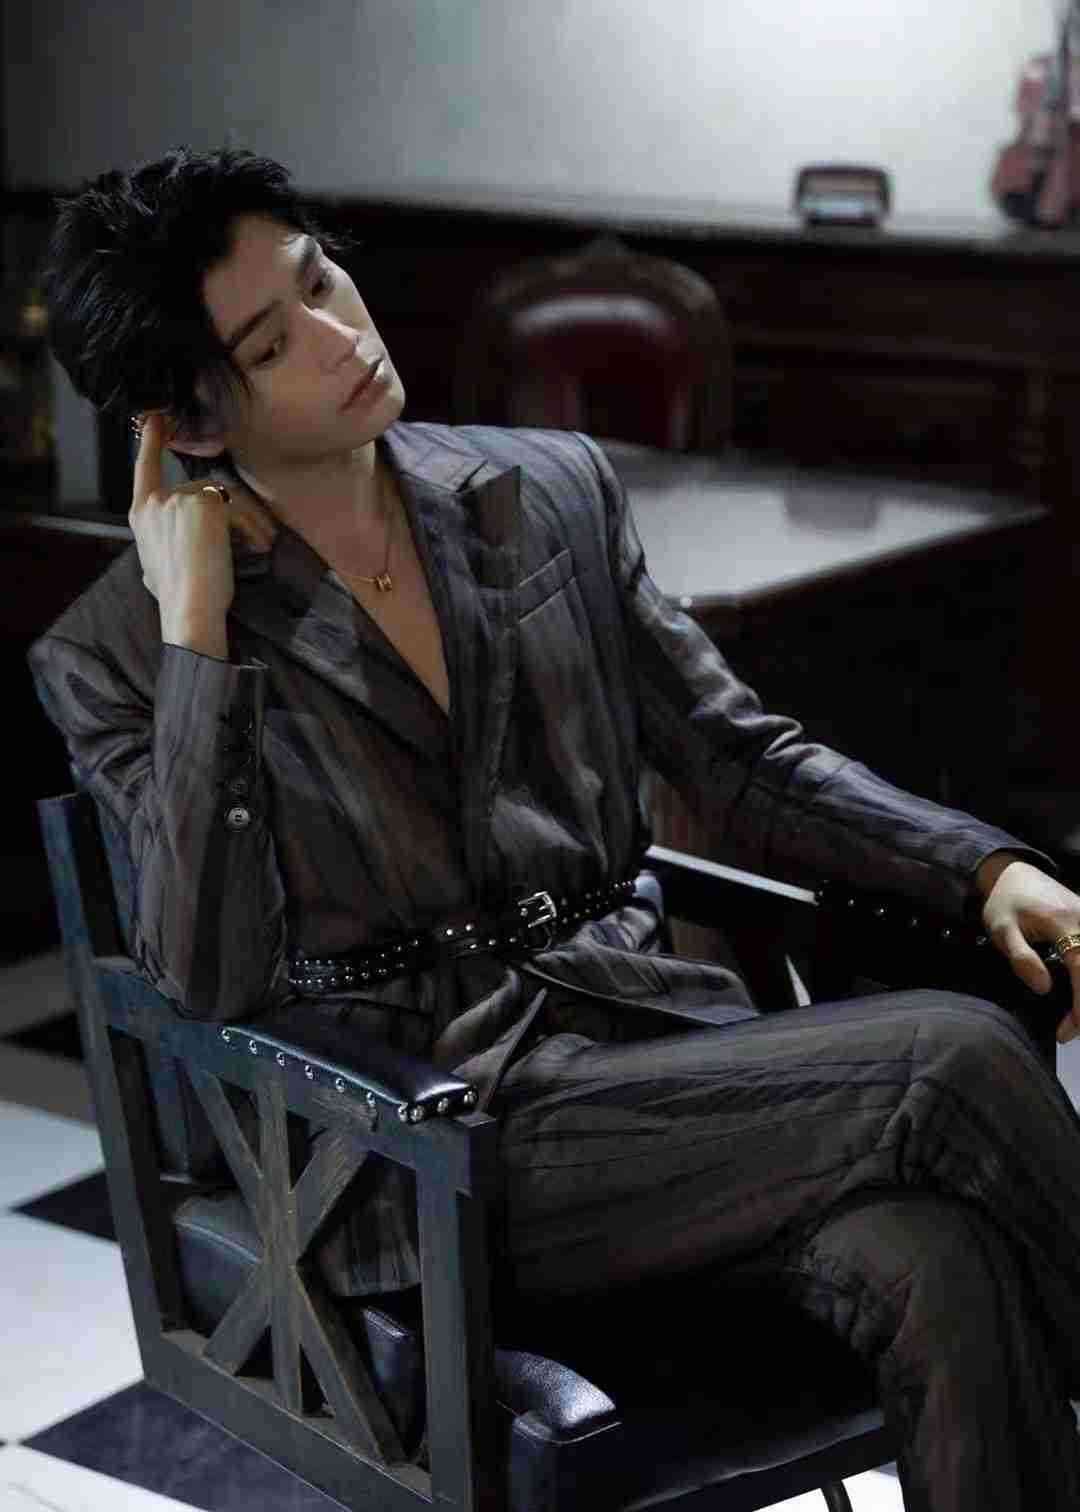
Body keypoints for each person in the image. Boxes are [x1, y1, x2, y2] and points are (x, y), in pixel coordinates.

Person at [27, 144, 1080, 1507]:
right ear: (191, 423)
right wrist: (199, 638)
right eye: (275, 342)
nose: (343, 336)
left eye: (323, 279)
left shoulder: (548, 491)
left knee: (939, 1261)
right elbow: (205, 972)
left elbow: (734, 758)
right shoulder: (118, 653)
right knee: (952, 1056)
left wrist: (981, 867)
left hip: (655, 1065)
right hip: (421, 1151)